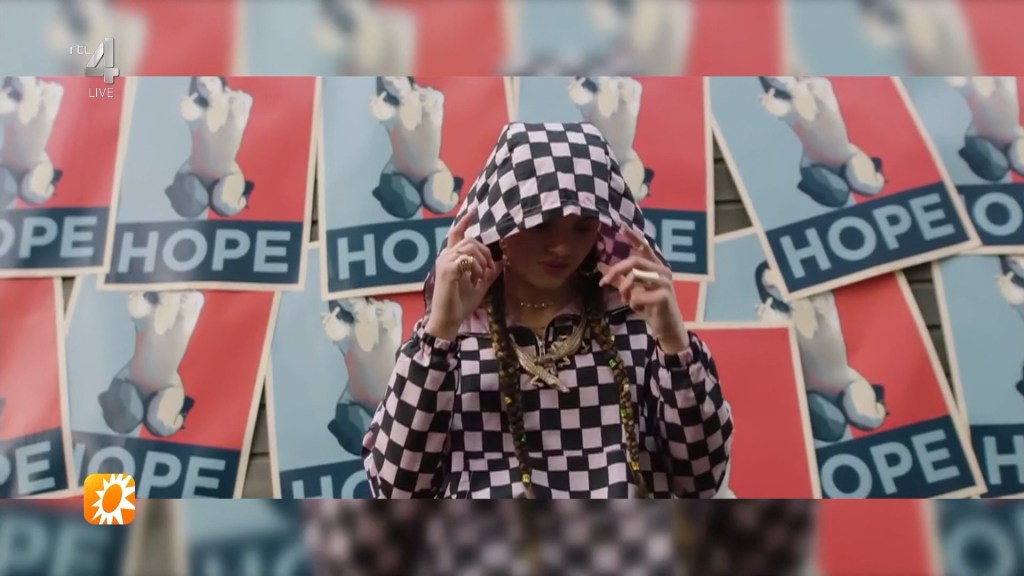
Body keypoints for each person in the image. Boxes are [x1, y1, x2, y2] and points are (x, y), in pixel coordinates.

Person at [361, 121, 733, 499]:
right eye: (542, 225)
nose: (562, 247)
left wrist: (674, 341)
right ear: (501, 222)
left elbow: (701, 477)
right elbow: (396, 489)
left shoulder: (637, 323)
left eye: (582, 228)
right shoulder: (451, 336)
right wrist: (440, 331)